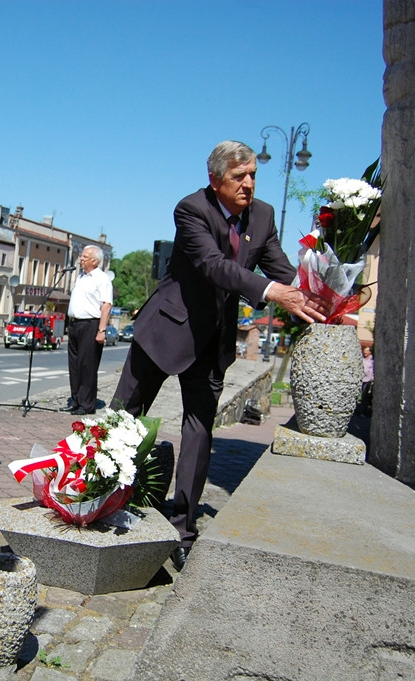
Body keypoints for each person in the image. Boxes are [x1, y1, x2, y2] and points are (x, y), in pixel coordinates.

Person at [112, 140, 329, 572]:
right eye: (239, 177)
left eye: (253, 175)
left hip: (213, 342)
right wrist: (271, 291)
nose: (249, 184)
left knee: (200, 433)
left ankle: (182, 531)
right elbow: (214, 265)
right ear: (215, 179)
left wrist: (323, 297)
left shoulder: (263, 215)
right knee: (123, 420)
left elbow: (281, 269)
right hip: (165, 331)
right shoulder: (191, 209)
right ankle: (98, 500)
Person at [63, 245, 113, 415]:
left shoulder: (102, 279)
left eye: (85, 256)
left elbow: (106, 305)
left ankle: (87, 404)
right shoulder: (81, 277)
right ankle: (75, 400)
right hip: (75, 324)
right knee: (74, 365)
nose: (81, 259)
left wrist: (102, 330)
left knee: (87, 365)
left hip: (91, 325)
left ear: (95, 261)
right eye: (81, 256)